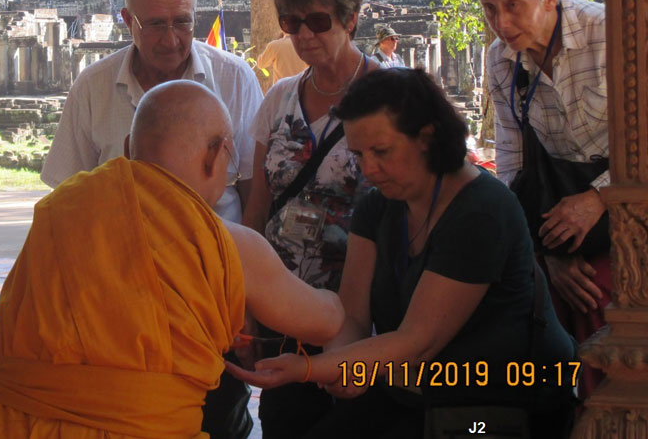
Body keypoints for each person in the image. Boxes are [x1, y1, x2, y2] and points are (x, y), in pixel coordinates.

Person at [0, 81, 344, 439]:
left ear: (129, 148)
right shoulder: (225, 242)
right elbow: (325, 322)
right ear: (215, 156)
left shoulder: (61, 210)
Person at [229, 68, 577, 439]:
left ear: (427, 138)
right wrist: (342, 364)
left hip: (495, 407)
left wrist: (313, 368)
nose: (368, 169)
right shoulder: (377, 206)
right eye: (359, 154)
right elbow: (352, 316)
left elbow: (418, 340)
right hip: (412, 396)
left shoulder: (482, 210)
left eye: (381, 152)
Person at [39, 0, 263, 436]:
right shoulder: (94, 87)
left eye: (182, 22)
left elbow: (253, 192)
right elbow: (67, 203)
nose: (171, 39)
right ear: (127, 20)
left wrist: (247, 296)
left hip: (210, 297)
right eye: (156, 24)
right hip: (116, 304)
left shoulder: (234, 79)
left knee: (218, 416)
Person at [240, 0, 377, 437]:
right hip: (284, 308)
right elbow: (258, 207)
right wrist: (247, 303)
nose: (303, 35)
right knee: (287, 423)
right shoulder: (279, 98)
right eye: (291, 22)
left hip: (362, 309)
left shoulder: (391, 93)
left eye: (318, 21)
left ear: (350, 18)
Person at [467, 0, 609, 395]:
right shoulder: (501, 61)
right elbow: (513, 162)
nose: (501, 23)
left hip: (624, 197)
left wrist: (599, 199)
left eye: (513, 5)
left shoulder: (607, 34)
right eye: (490, 9)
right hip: (558, 213)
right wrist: (545, 252)